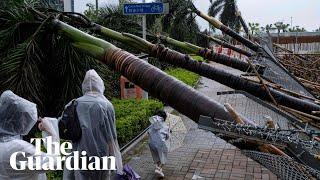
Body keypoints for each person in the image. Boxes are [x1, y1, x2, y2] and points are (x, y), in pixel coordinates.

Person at [61, 69, 123, 180]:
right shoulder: (106, 106)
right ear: (100, 85)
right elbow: (111, 137)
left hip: (79, 154)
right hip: (101, 155)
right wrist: (115, 161)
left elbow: (62, 127)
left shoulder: (73, 104)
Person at [0, 90, 60, 180]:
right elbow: (54, 163)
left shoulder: (4, 143)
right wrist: (52, 133)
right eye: (23, 118)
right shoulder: (18, 147)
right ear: (17, 120)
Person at [148, 110, 170, 178]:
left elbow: (148, 132)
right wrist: (169, 132)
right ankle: (159, 169)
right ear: (164, 118)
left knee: (156, 156)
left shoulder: (152, 124)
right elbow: (167, 137)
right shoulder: (166, 126)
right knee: (163, 156)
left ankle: (158, 168)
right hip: (160, 144)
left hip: (151, 143)